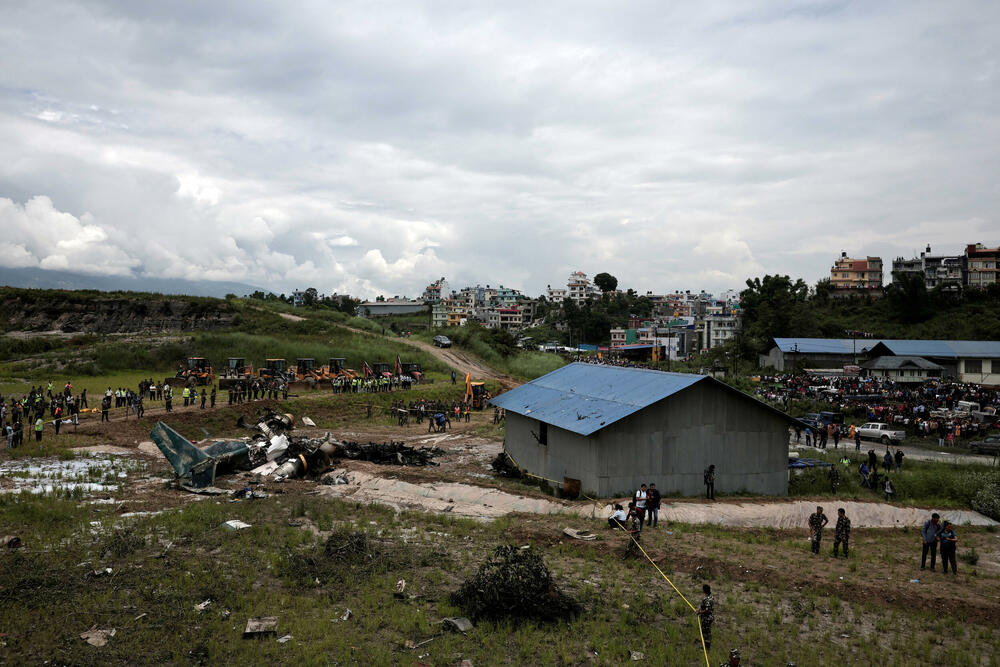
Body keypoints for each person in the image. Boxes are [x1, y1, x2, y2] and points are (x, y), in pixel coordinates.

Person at [697, 584, 714, 651]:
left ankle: (706, 648)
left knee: (705, 633)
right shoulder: (711, 597)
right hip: (709, 618)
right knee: (708, 632)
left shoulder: (707, 599)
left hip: (706, 619)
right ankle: (706, 647)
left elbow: (707, 610)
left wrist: (700, 612)